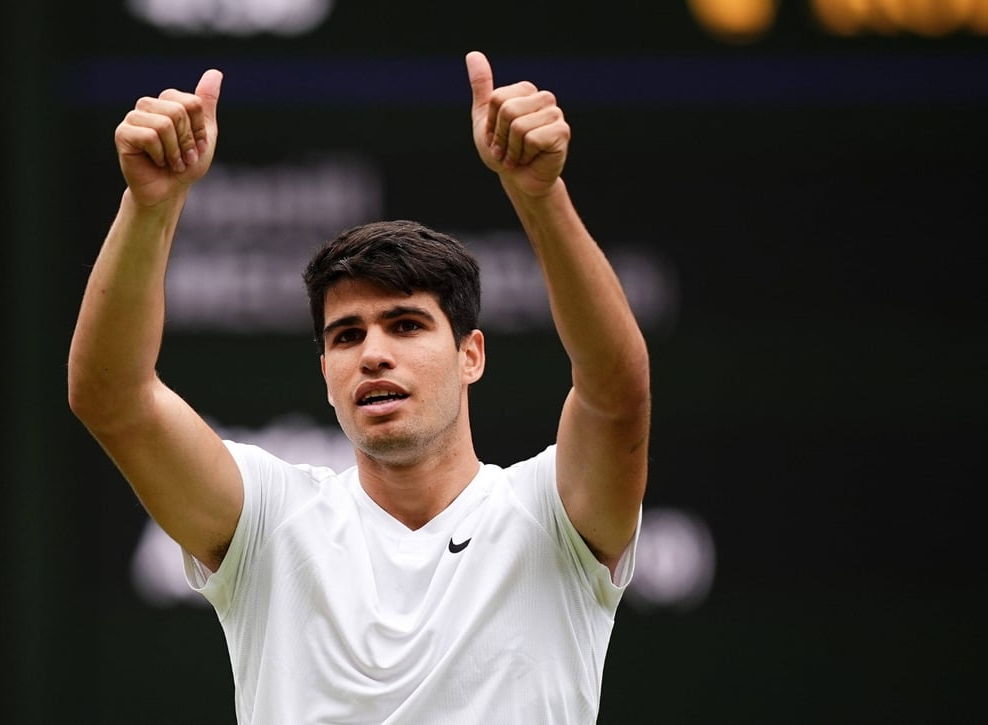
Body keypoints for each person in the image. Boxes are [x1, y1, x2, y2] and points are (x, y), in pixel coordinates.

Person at [68, 51, 650, 725]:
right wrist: (149, 206)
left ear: (472, 355)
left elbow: (617, 391)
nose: (373, 353)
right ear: (325, 374)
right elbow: (113, 397)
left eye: (405, 325)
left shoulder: (552, 514)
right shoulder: (268, 519)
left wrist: (540, 195)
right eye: (346, 335)